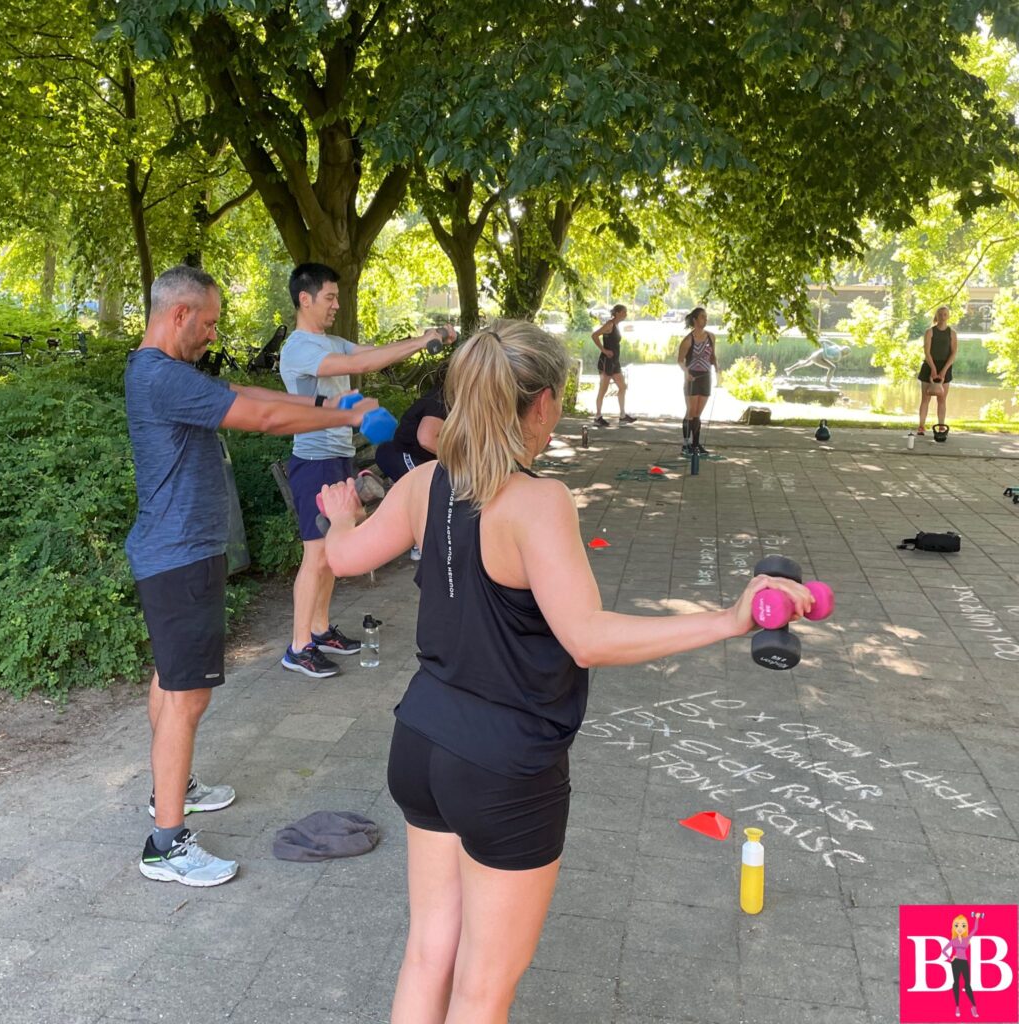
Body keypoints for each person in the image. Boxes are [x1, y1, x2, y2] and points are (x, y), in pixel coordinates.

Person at [317, 319, 813, 1023]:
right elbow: (586, 638)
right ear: (543, 403)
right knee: (483, 990)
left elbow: (344, 558)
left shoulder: (424, 482)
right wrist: (728, 621)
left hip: (422, 743)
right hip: (502, 769)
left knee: (429, 952)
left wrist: (339, 516)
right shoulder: (537, 502)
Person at [125, 265, 377, 887]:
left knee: (171, 678)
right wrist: (345, 420)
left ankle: (172, 789)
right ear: (178, 314)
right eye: (207, 322)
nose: (213, 333)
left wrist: (326, 403)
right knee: (190, 694)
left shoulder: (168, 372)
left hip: (178, 551)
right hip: (180, 554)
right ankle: (167, 843)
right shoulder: (161, 375)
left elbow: (253, 395)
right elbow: (259, 419)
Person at [279, 263, 455, 678]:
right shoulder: (300, 348)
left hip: (337, 457)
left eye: (338, 297)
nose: (336, 305)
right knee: (317, 554)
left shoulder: (332, 341)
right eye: (329, 298)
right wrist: (423, 341)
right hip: (313, 460)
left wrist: (423, 339)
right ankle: (298, 645)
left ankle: (320, 630)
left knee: (331, 553)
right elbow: (370, 363)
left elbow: (369, 353)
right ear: (304, 299)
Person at [374, 363, 449, 560]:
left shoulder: (453, 401)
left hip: (416, 458)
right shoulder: (439, 401)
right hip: (402, 456)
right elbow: (426, 439)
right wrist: (459, 459)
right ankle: (422, 544)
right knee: (428, 489)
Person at [677, 307, 721, 455]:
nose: (705, 319)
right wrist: (686, 372)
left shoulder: (711, 337)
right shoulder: (688, 340)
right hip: (692, 377)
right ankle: (686, 444)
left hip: (705, 376)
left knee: (698, 413)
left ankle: (696, 444)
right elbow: (680, 361)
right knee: (691, 411)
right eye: (702, 317)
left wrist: (717, 368)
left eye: (706, 317)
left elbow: (713, 356)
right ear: (695, 320)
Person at [591, 304, 636, 427]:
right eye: (624, 312)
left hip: (615, 362)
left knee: (622, 386)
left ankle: (622, 415)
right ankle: (598, 416)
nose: (626, 314)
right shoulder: (609, 324)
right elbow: (594, 335)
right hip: (607, 362)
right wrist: (604, 350)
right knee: (603, 389)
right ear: (617, 313)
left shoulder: (616, 325)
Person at [917, 306, 958, 437]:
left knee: (942, 399)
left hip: (945, 366)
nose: (942, 316)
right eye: (940, 314)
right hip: (930, 365)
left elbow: (953, 353)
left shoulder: (952, 333)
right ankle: (921, 426)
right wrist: (933, 369)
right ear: (937, 316)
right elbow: (927, 352)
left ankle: (941, 427)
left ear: (948, 316)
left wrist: (944, 371)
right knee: (925, 398)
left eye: (945, 314)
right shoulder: (930, 332)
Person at [941, 913, 980, 1018]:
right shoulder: (953, 941)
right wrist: (950, 958)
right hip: (956, 962)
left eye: (963, 926)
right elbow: (943, 950)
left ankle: (974, 1007)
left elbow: (975, 929)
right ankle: (957, 1006)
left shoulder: (967, 939)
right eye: (956, 925)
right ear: (954, 927)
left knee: (967, 984)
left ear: (965, 927)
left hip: (964, 962)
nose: (959, 928)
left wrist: (976, 918)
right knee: (956, 983)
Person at [782, 337, 848, 387]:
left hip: (816, 354)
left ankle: (789, 369)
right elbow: (826, 354)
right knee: (832, 367)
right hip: (818, 357)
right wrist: (824, 344)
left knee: (805, 362)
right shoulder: (838, 354)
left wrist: (823, 342)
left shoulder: (837, 349)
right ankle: (827, 384)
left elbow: (828, 345)